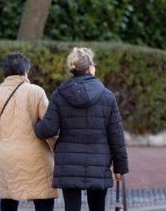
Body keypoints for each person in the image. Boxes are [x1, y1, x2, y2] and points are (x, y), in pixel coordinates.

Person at [34, 47, 129, 211]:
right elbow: (116, 136)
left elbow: (47, 129)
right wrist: (120, 167)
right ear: (91, 68)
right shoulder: (107, 96)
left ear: (72, 69)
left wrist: (35, 124)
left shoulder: (59, 95)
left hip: (68, 162)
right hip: (99, 162)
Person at [0, 52, 58, 211]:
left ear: (4, 73)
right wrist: (59, 149)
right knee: (44, 200)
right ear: (26, 71)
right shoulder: (36, 92)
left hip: (7, 158)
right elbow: (50, 127)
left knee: (8, 199)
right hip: (37, 156)